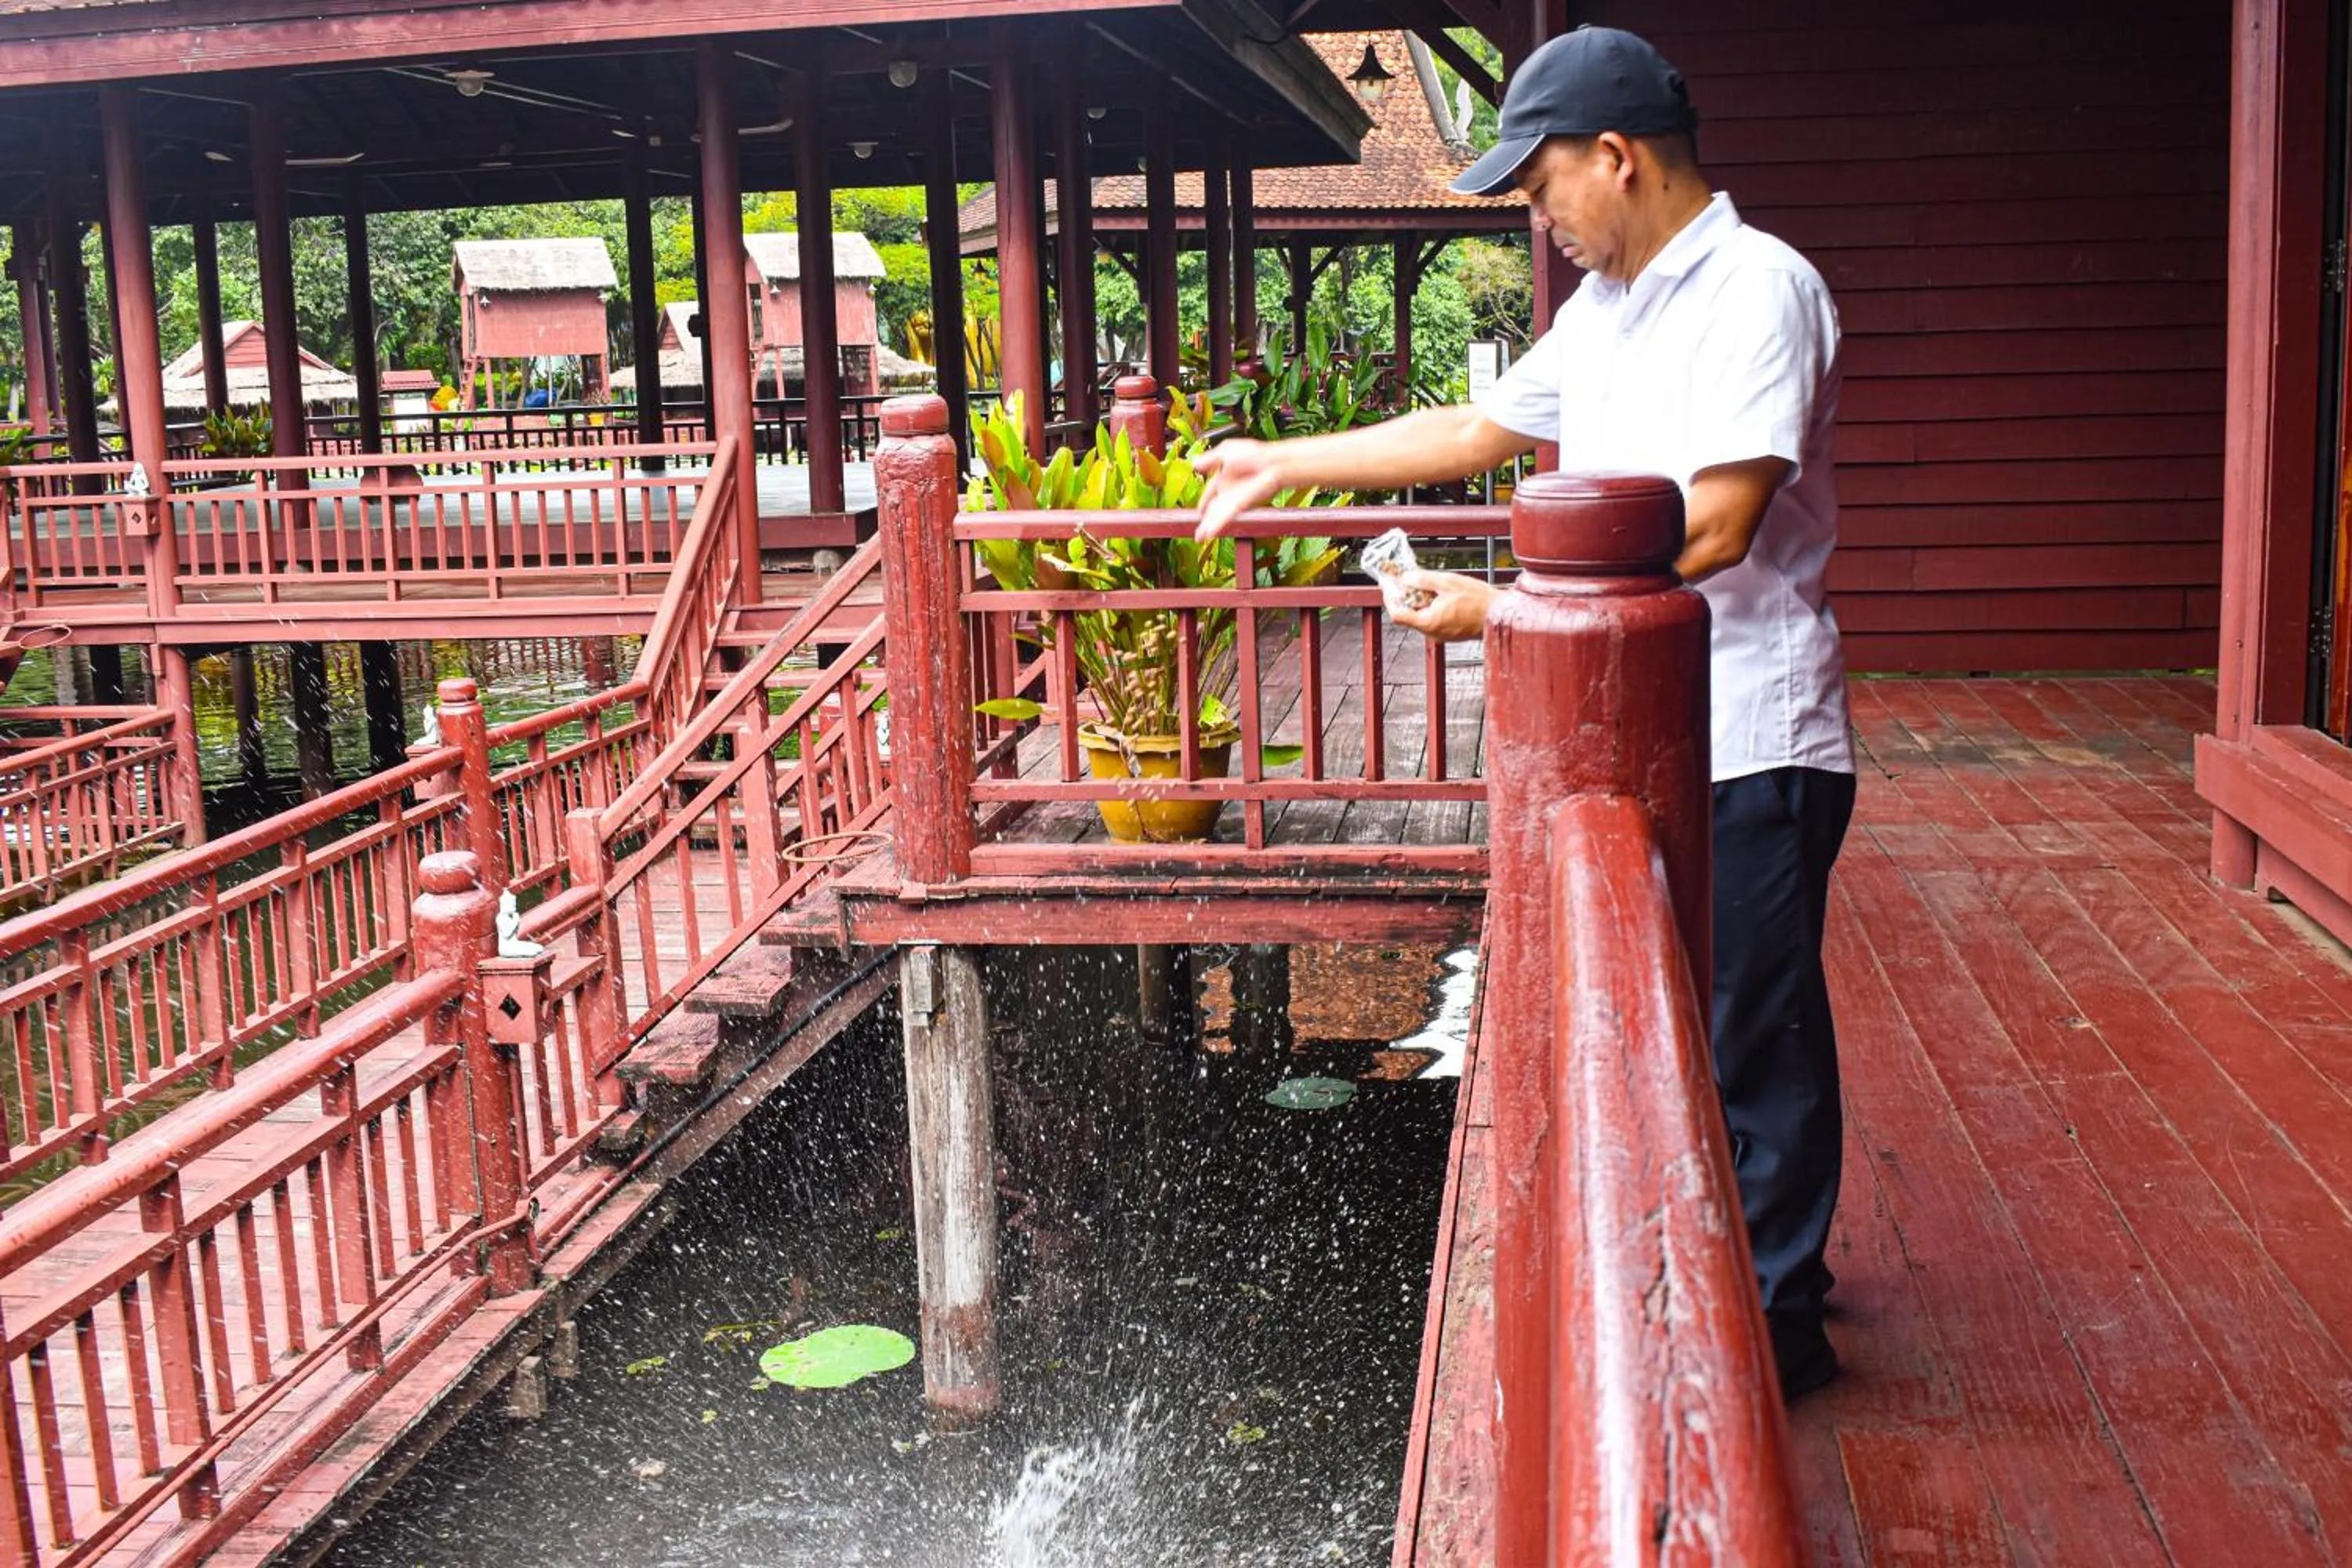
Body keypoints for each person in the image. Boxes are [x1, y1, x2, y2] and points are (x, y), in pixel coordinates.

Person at [1194, 24, 1854, 1399]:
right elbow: (1476, 430)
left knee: (1755, 1027)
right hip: (1641, 725)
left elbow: (1721, 525)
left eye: (1542, 181)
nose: (1536, 211)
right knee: (1673, 1008)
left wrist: (1503, 611)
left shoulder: (1757, 289)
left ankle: (1779, 1326)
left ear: (1615, 158)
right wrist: (1283, 461)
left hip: (1750, 727)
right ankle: (1721, 1268)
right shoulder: (1608, 306)